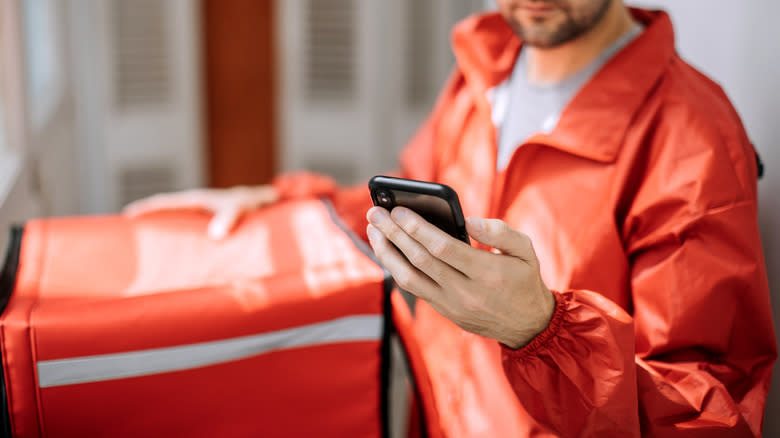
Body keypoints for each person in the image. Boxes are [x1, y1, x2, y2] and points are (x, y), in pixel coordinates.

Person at [126, 0, 777, 435]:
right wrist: (281, 202)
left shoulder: (692, 140)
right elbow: (416, 213)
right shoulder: (485, 71)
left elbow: (708, 418)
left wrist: (542, 328)